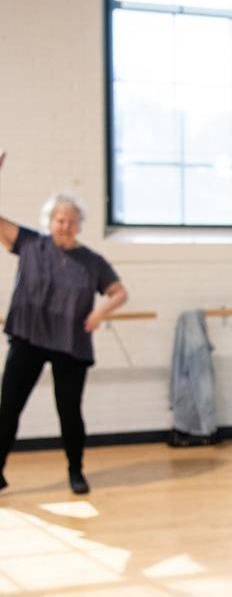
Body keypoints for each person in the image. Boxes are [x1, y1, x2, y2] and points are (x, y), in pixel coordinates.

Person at [0, 149, 128, 494]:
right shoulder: (29, 244)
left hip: (70, 344)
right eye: (59, 220)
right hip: (28, 337)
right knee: (8, 407)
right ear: (50, 221)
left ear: (79, 225)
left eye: (71, 221)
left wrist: (100, 312)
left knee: (69, 412)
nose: (65, 226)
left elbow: (119, 292)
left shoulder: (92, 261)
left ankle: (76, 471)